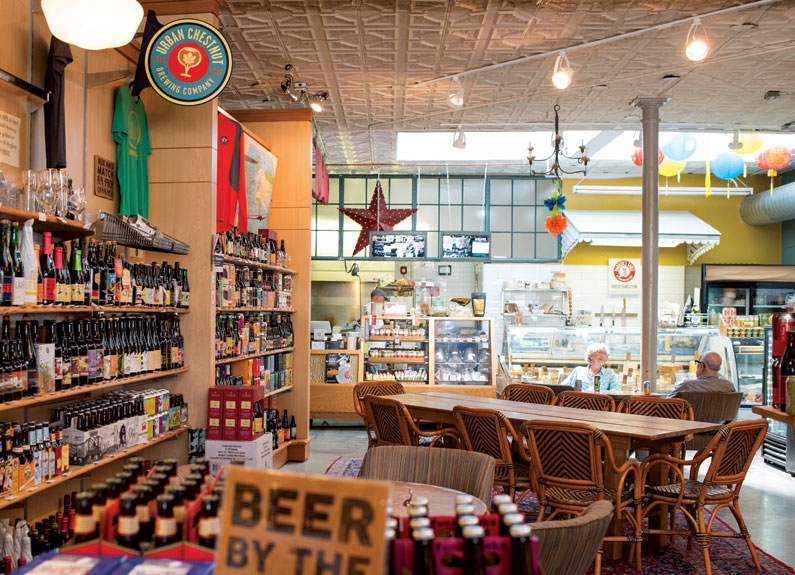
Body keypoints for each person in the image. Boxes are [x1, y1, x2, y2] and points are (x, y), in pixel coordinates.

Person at [668, 351, 735, 397]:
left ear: (701, 366)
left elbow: (666, 403)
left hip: (691, 418)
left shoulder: (689, 386)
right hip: (723, 418)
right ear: (719, 368)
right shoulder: (729, 386)